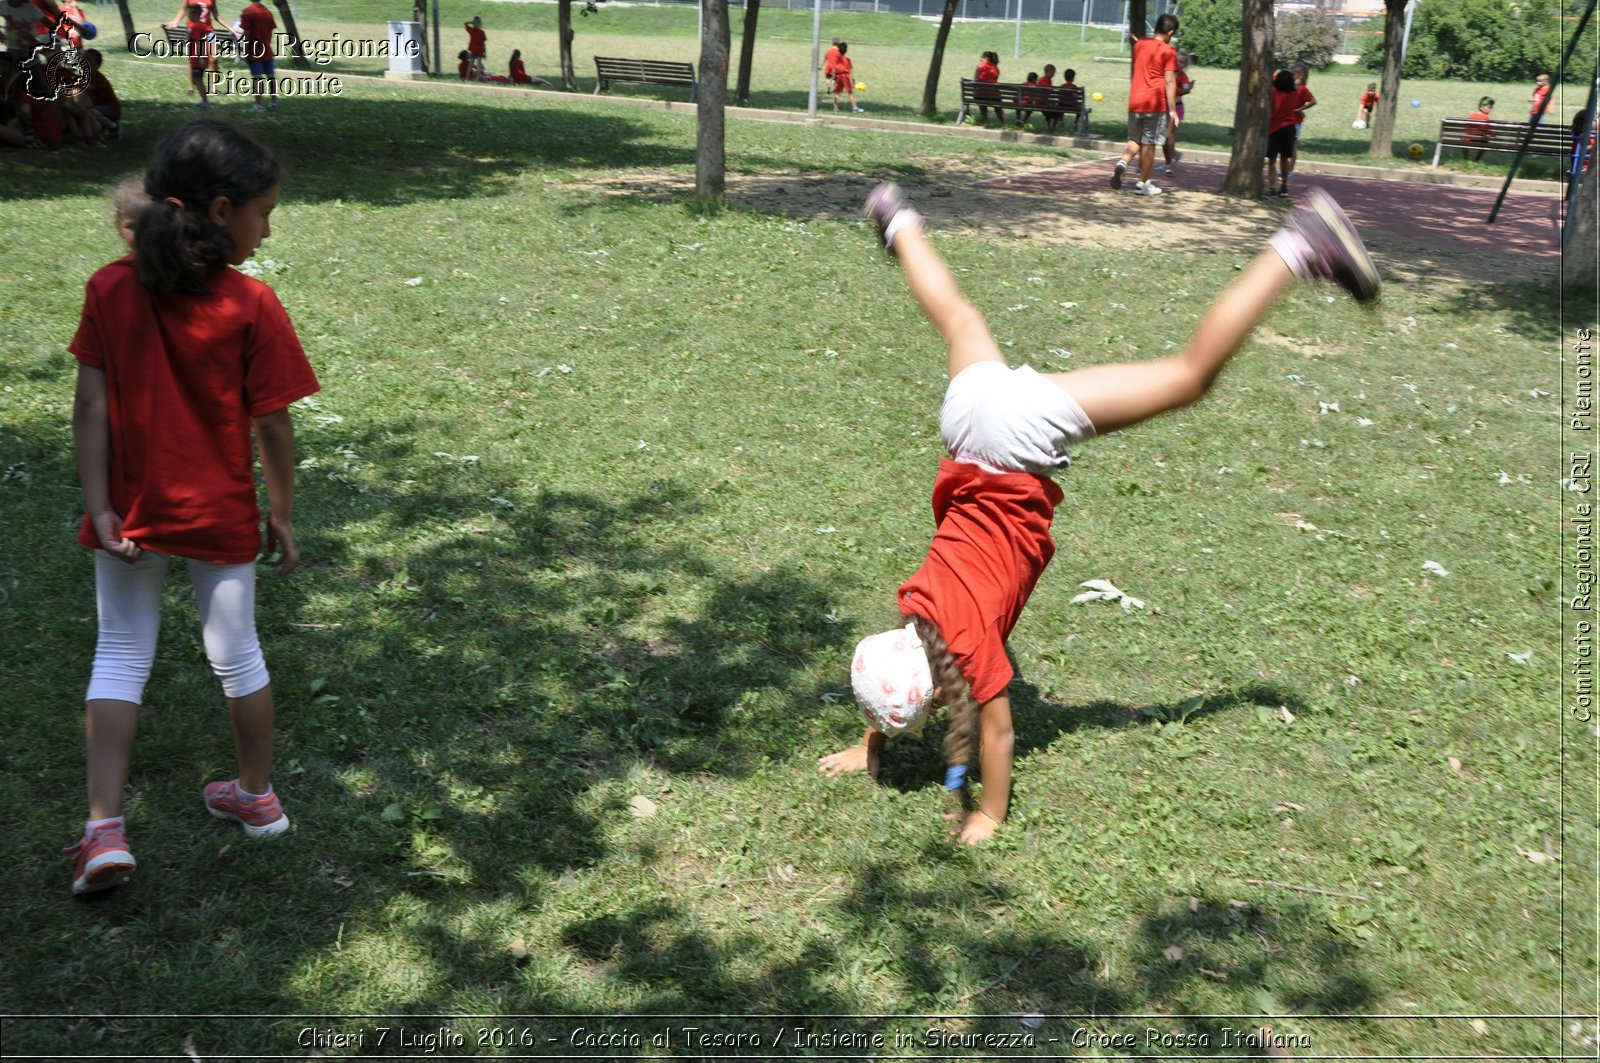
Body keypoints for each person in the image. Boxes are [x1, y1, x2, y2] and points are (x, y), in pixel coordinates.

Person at [821, 180, 1379, 844]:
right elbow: (901, 664)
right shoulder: (918, 614)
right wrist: (870, 745)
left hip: (1012, 439)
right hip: (967, 427)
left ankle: (1299, 245)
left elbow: (997, 729)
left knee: (1188, 376)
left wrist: (989, 811)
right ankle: (898, 222)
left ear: (939, 694)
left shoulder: (967, 651)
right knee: (963, 320)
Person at [62, 120, 319, 896]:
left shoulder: (111, 287)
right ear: (218, 211)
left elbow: (89, 406)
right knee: (237, 652)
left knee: (120, 652)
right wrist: (281, 510)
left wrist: (101, 506)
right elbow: (273, 422)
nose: (266, 229)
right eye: (262, 213)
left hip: (133, 515)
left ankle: (104, 829)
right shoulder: (251, 303)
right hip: (219, 515)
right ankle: (256, 795)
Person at [1109, 12, 1179, 196]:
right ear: (1170, 33)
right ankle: (1143, 184)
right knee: (1149, 144)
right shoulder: (1169, 51)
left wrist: (1138, 40)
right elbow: (1170, 81)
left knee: (1134, 140)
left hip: (1135, 101)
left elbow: (1144, 45)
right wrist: (1173, 110)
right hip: (1155, 102)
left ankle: (1123, 162)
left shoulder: (1139, 45)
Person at [237, 0, 275, 111]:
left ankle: (257, 105)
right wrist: (267, 42)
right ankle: (273, 103)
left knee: (257, 78)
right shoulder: (267, 11)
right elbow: (271, 31)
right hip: (267, 49)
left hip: (254, 50)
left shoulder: (247, 11)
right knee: (270, 77)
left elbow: (246, 33)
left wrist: (245, 49)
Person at [1266, 69, 1298, 196]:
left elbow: (1271, 79)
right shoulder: (1294, 93)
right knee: (1284, 159)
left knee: (1272, 160)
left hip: (1274, 128)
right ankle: (1284, 186)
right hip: (1289, 128)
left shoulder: (1273, 92)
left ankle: (1272, 186)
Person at [1162, 52, 1193, 175]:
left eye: (1182, 62)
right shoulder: (1167, 74)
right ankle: (1174, 155)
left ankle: (1168, 165)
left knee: (1169, 135)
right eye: (1177, 61)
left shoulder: (1183, 77)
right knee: (1164, 137)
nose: (1179, 64)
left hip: (1177, 108)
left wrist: (1186, 89)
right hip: (1164, 108)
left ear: (1185, 65)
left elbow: (1183, 90)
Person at [185, 3, 213, 106]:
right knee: (197, 79)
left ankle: (205, 102)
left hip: (198, 59)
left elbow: (200, 42)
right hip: (196, 58)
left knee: (198, 79)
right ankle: (204, 100)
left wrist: (201, 57)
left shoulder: (198, 27)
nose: (188, 16)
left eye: (189, 14)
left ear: (195, 14)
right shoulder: (198, 26)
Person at [111, 174, 147, 248]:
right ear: (119, 227)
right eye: (133, 226)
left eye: (151, 225)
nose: (141, 233)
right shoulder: (125, 260)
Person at [828, 40, 860, 113]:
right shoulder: (847, 59)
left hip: (837, 77)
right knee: (850, 92)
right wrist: (852, 80)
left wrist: (832, 79)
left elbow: (833, 70)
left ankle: (835, 108)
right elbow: (850, 70)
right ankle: (855, 108)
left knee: (837, 93)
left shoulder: (836, 59)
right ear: (846, 50)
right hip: (845, 77)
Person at [973, 50, 1003, 127]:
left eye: (981, 58)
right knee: (996, 99)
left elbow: (975, 80)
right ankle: (1002, 121)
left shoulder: (979, 66)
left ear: (985, 57)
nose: (980, 59)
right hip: (993, 96)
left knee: (981, 94)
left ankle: (984, 119)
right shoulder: (996, 68)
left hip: (979, 95)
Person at [1463, 96, 1494, 161]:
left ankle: (1466, 158)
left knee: (1464, 139)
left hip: (1468, 140)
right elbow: (1489, 131)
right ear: (1481, 107)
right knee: (1486, 142)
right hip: (1481, 140)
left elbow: (1466, 128)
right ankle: (1477, 158)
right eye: (1489, 107)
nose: (1491, 109)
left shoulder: (1471, 116)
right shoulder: (1487, 118)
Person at [463, 16, 486, 80]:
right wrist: (485, 52)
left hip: (473, 49)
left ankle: (466, 78)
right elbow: (483, 43)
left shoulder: (471, 30)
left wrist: (471, 22)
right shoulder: (482, 32)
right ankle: (477, 78)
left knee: (470, 65)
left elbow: (465, 24)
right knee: (478, 65)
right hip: (480, 50)